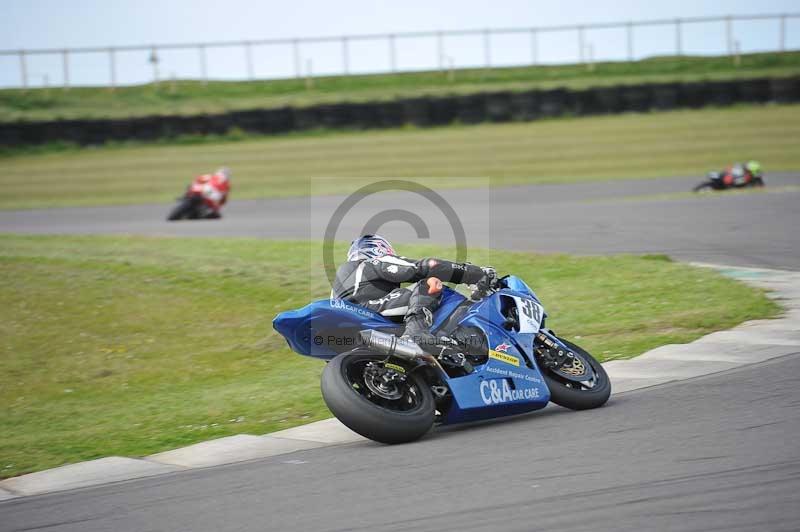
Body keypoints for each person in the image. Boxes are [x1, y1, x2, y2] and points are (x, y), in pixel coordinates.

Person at [332, 234, 496, 352]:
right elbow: (427, 266)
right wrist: (474, 273)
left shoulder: (342, 283)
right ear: (377, 249)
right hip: (367, 310)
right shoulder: (371, 262)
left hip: (348, 332)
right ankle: (416, 333)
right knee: (430, 283)